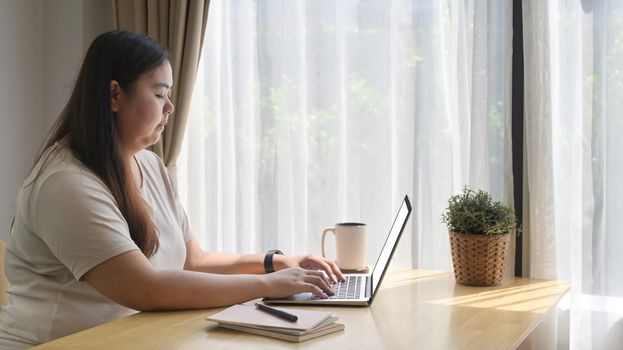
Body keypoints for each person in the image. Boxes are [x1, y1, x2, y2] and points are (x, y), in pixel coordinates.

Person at [0, 31, 344, 349]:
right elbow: (145, 289)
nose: (170, 108)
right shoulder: (65, 184)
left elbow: (193, 261)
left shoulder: (148, 165)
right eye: (160, 93)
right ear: (114, 94)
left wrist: (277, 264)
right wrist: (270, 287)